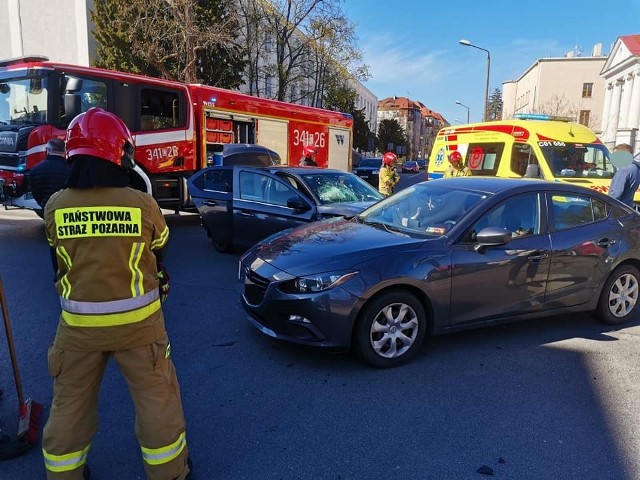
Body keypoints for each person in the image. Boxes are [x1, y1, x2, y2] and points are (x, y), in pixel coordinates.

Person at [42, 108, 190, 480]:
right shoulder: (141, 203)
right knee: (157, 400)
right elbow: (160, 248)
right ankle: (170, 473)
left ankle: (64, 474)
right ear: (118, 152)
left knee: (69, 405)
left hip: (77, 329)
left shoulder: (56, 206)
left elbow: (58, 262)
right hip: (139, 328)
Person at [28, 138, 72, 280]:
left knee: (54, 245)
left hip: (49, 212)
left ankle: (58, 275)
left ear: (47, 151)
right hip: (70, 211)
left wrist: (44, 205)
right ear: (65, 152)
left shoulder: (36, 170)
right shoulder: (72, 168)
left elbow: (36, 192)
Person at [609, 144, 639, 208]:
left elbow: (615, 194)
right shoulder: (635, 168)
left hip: (618, 208)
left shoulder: (623, 171)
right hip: (628, 207)